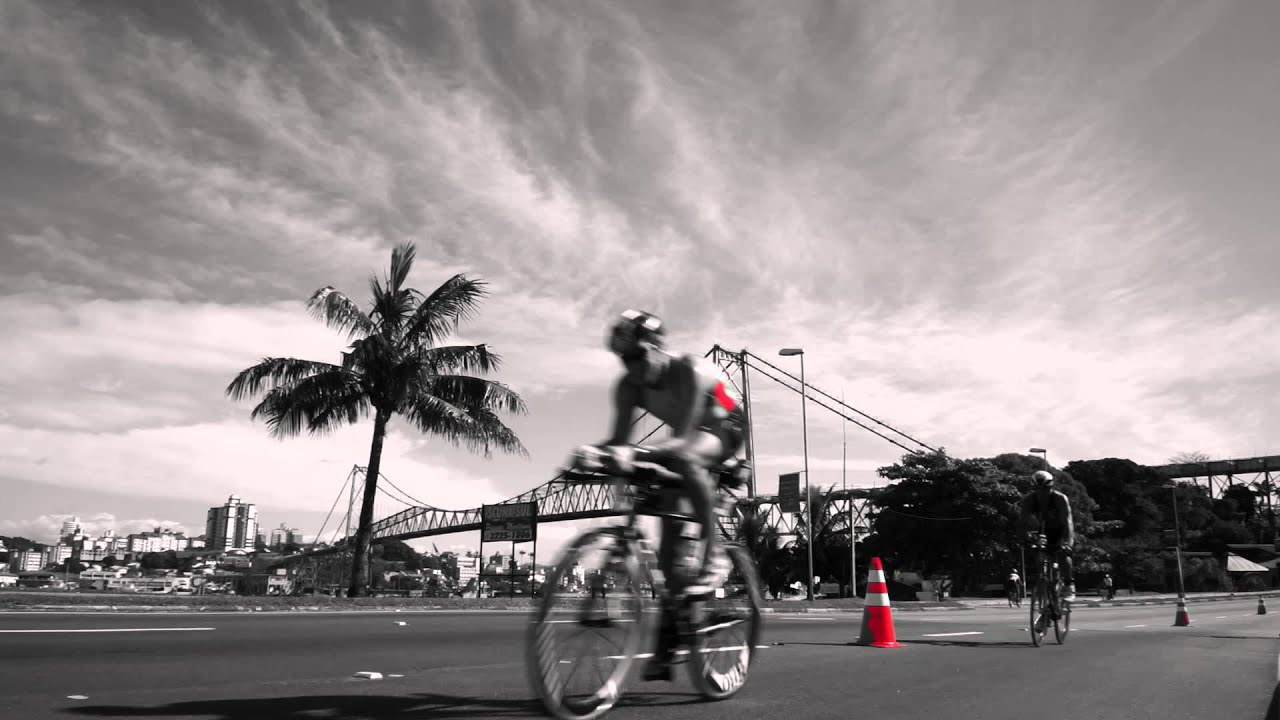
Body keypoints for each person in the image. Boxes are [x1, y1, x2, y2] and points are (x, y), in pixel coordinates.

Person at [571, 309, 746, 681]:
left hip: (724, 429)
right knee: (670, 558)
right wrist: (594, 453)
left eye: (637, 356)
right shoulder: (628, 386)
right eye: (623, 359)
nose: (631, 367)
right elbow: (619, 443)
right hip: (685, 445)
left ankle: (714, 556)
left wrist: (634, 455)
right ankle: (674, 637)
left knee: (683, 458)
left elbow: (682, 440)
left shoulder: (688, 371)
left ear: (656, 347)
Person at [1017, 469, 1076, 601]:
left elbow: (1068, 524)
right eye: (1038, 490)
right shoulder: (1029, 501)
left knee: (1062, 554)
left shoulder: (1060, 499)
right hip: (1043, 530)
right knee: (1039, 555)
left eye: (1045, 489)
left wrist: (1067, 544)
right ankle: (1045, 588)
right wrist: (1023, 540)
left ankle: (1068, 584)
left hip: (1061, 530)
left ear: (1051, 487)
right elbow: (1022, 523)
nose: (1042, 493)